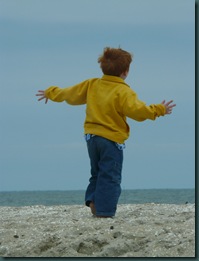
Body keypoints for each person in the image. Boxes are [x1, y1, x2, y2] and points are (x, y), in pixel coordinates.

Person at [36, 47, 176, 218]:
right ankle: (104, 211)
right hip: (111, 140)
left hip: (91, 138)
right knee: (110, 176)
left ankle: (94, 201)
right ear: (126, 71)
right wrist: (159, 109)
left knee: (97, 172)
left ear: (102, 67)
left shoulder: (92, 84)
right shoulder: (123, 91)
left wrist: (51, 93)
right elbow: (139, 112)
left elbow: (69, 94)